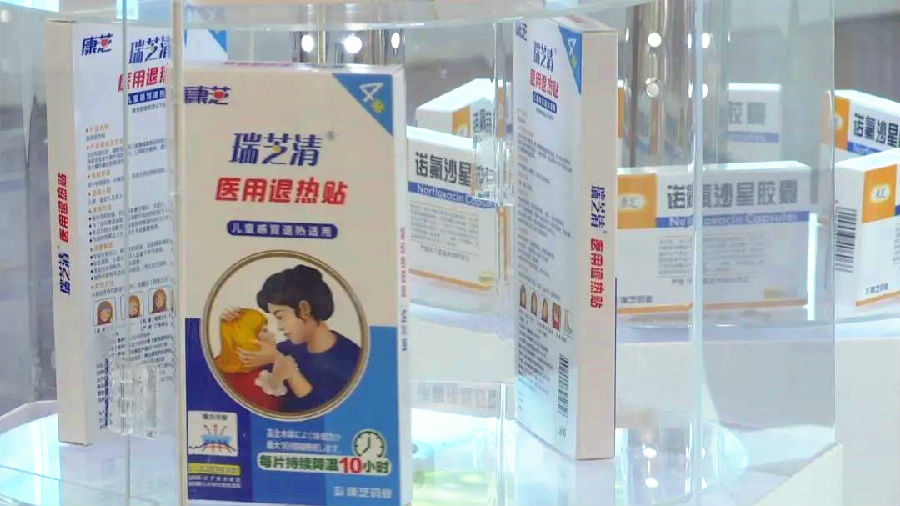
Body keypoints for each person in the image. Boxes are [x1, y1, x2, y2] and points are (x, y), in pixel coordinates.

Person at [225, 264, 360, 413]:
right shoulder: (285, 349)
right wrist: (235, 324)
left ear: (304, 309)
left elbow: (327, 413)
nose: (279, 327)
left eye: (280, 317)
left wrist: (285, 367)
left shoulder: (352, 359)